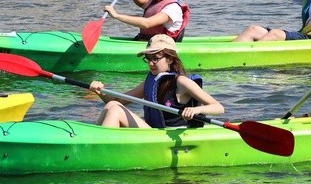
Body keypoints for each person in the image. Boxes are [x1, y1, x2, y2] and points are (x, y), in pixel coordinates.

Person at [89, 34, 224, 128]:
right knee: (111, 106)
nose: (151, 63)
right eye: (148, 59)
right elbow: (118, 101)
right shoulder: (152, 81)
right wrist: (101, 91)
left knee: (116, 111)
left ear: (170, 59)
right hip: (153, 130)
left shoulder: (181, 82)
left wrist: (195, 110)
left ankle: (99, 148)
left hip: (169, 134)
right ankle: (94, 140)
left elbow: (218, 107)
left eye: (156, 58)